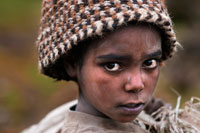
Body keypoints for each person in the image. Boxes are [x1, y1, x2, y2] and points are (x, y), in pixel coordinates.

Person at [23, 0, 181, 132]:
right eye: (112, 66)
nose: (137, 84)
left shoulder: (151, 114)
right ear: (71, 64)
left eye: (149, 63)